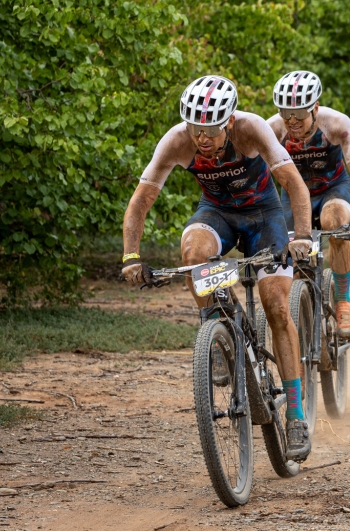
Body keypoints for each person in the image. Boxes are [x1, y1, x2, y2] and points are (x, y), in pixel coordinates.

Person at [121, 75, 315, 461]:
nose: (202, 138)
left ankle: (295, 414)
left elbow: (294, 184)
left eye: (210, 130)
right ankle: (217, 326)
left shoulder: (252, 129)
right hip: (217, 214)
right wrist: (131, 256)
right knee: (193, 252)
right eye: (195, 129)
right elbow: (141, 199)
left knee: (276, 306)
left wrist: (303, 237)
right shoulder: (177, 141)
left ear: (229, 122)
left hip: (264, 217)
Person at [267, 71, 350, 338]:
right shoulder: (272, 130)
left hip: (333, 188)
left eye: (299, 113)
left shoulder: (336, 124)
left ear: (315, 108)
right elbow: (257, 178)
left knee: (334, 222)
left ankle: (342, 301)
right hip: (293, 196)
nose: (292, 120)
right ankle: (301, 310)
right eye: (285, 113)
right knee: (292, 250)